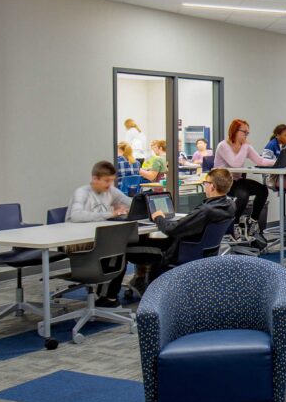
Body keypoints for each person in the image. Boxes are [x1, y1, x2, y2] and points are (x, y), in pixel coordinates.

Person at [109, 168, 238, 304]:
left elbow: (171, 229)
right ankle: (140, 279)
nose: (205, 185)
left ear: (212, 186)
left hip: (180, 252)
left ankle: (110, 297)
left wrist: (158, 217)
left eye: (206, 183)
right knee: (145, 240)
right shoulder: (229, 205)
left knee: (123, 247)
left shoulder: (206, 210)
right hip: (199, 251)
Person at [214, 118, 274, 248]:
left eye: (248, 133)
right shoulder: (224, 145)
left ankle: (253, 221)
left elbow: (260, 161)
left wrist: (280, 162)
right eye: (244, 132)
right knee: (243, 194)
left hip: (237, 181)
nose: (246, 135)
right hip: (223, 182)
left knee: (263, 190)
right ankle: (234, 224)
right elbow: (235, 163)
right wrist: (245, 146)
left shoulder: (245, 146)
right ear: (234, 131)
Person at [66, 161, 131, 223]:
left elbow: (131, 204)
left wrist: (124, 211)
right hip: (76, 232)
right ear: (95, 179)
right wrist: (112, 214)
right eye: (107, 181)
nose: (110, 184)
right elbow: (76, 216)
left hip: (98, 230)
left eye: (112, 180)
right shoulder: (81, 192)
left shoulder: (111, 191)